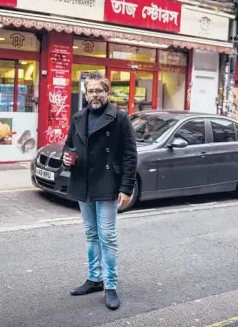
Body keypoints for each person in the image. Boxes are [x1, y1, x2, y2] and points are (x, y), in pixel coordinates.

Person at [63, 71, 138, 310]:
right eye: (91, 91)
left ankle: (111, 286)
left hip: (107, 184)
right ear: (85, 94)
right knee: (91, 234)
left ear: (107, 93)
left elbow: (130, 156)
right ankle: (94, 279)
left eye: (99, 91)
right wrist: (67, 159)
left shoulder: (119, 118)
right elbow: (69, 146)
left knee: (107, 236)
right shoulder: (78, 117)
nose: (94, 95)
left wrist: (126, 188)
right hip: (83, 183)